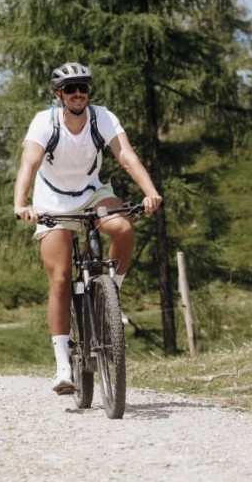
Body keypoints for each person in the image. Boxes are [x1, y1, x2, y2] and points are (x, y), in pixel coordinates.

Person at [14, 62, 162, 394]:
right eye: (70, 89)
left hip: (92, 192)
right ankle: (63, 366)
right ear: (58, 95)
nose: (77, 93)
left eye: (83, 87)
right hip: (51, 201)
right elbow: (30, 162)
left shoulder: (102, 117)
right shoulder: (45, 122)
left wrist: (150, 192)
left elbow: (126, 156)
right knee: (61, 279)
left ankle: (112, 298)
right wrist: (21, 203)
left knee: (122, 228)